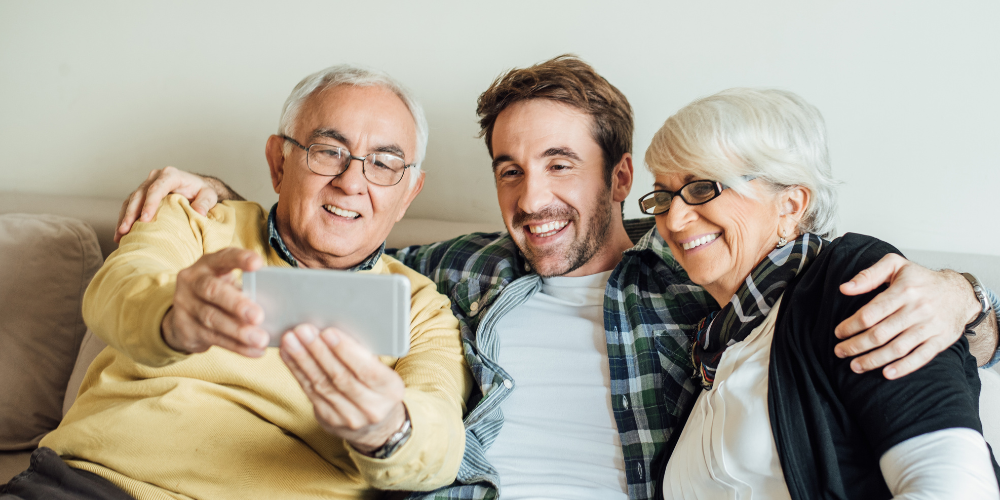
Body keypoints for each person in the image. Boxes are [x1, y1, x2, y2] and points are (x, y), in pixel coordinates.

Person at [109, 56, 1000, 500]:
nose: (530, 198)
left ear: (620, 181)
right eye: (507, 168)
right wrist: (222, 195)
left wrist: (969, 298)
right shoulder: (449, 274)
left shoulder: (702, 284)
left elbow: (831, 306)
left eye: (560, 166)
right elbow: (332, 235)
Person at [1, 66, 471, 500]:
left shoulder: (422, 309)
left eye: (384, 164)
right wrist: (171, 314)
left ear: (409, 192)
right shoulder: (195, 218)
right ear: (279, 162)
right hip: (91, 486)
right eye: (329, 152)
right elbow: (119, 288)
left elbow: (441, 442)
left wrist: (387, 427)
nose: (351, 182)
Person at [645, 88, 999, 499]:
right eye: (662, 196)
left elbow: (955, 488)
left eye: (702, 187)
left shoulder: (853, 282)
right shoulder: (717, 343)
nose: (674, 217)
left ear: (791, 204)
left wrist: (968, 296)